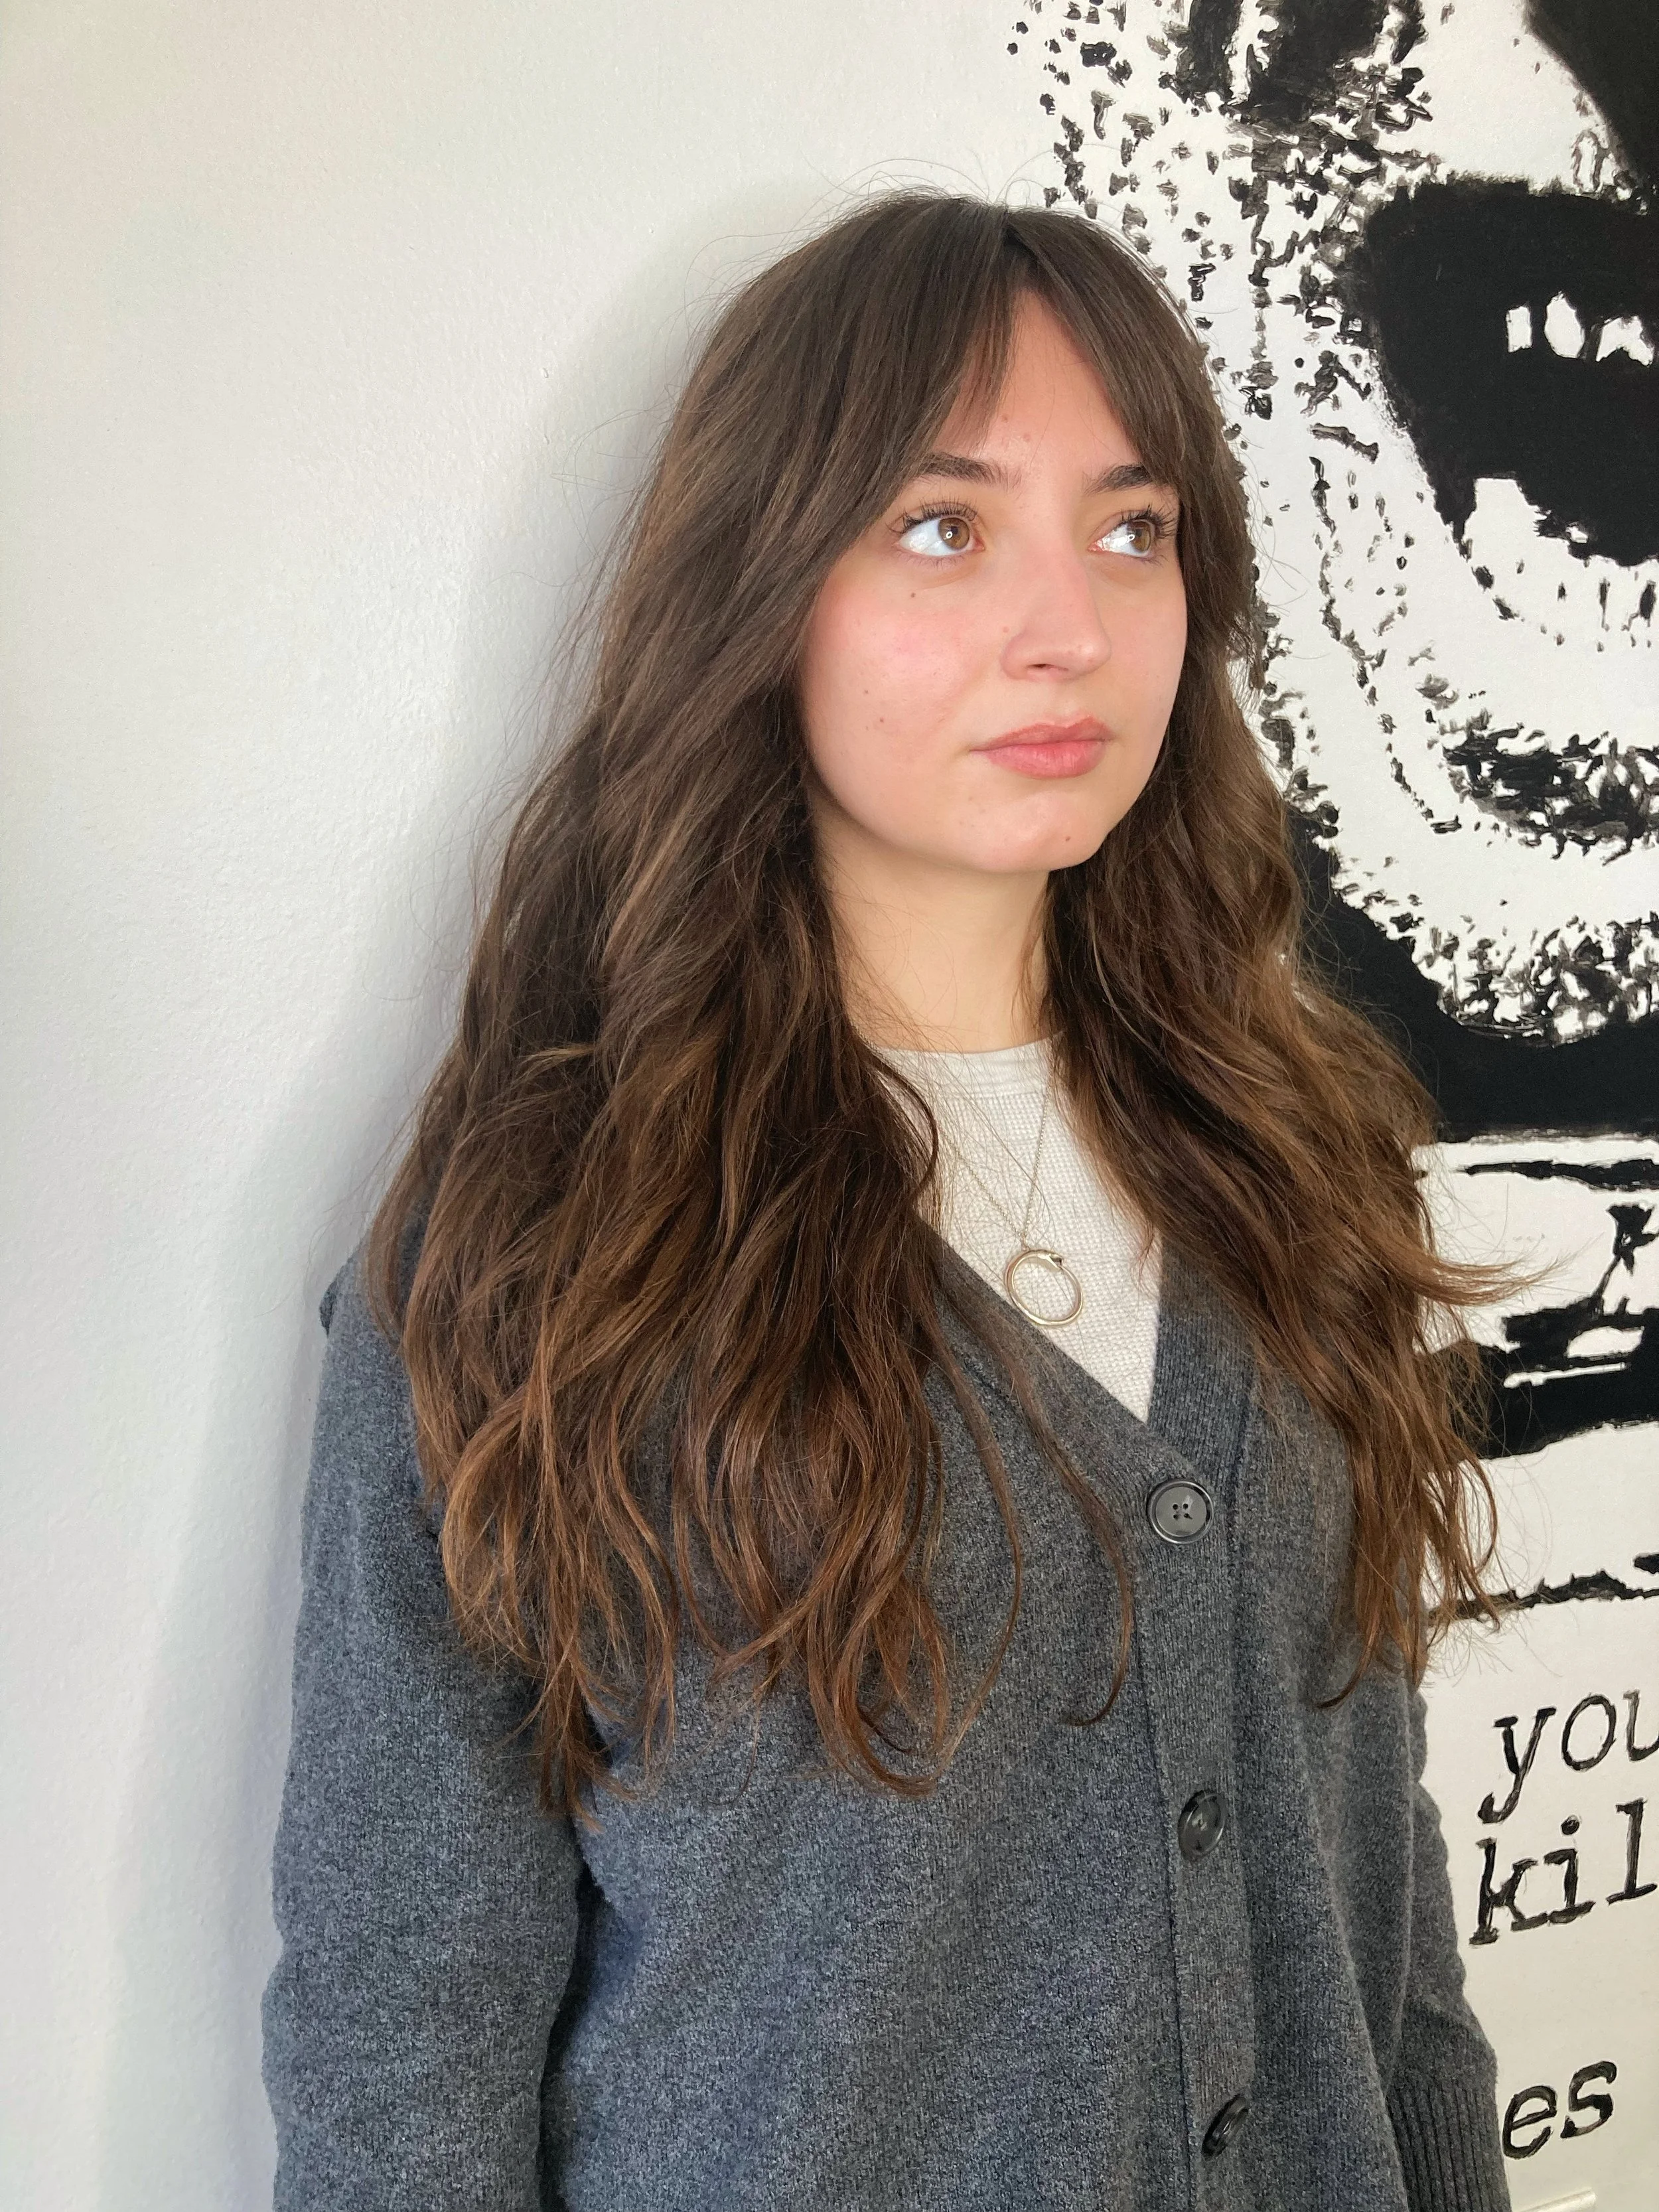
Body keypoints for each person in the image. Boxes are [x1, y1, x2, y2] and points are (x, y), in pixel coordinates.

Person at [261, 190, 1524, 2210]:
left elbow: (1378, 1895)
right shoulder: (545, 1258)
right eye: (943, 525)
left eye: (1134, 527)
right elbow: (402, 2038)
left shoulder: (1291, 1155)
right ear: (764, 585)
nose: (1069, 626)